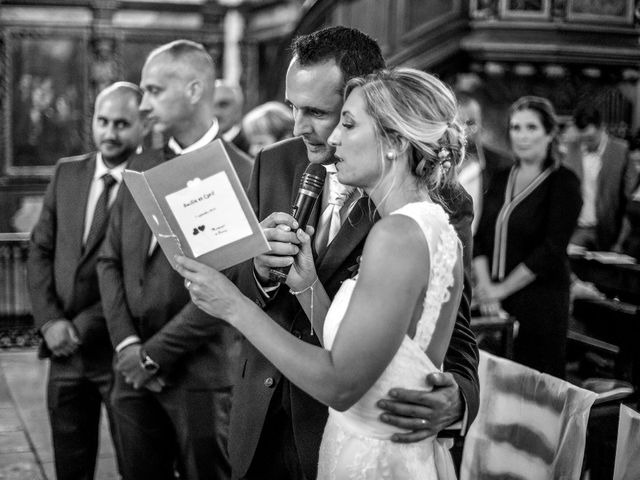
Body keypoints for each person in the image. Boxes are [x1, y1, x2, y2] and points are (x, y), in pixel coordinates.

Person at [167, 27, 477, 480]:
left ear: (372, 104)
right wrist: (262, 270)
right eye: (293, 107)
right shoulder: (275, 162)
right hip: (260, 426)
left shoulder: (427, 210)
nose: (300, 127)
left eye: (322, 113)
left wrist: (459, 400)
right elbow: (242, 276)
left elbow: (452, 327)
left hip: (353, 432)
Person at [97, 40, 252, 480]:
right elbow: (110, 261)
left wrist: (154, 356)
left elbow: (230, 282)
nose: (144, 104)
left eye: (154, 90)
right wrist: (128, 346)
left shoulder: (242, 173)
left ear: (194, 89)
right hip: (129, 373)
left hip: (200, 374)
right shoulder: (140, 164)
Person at [27, 81, 145, 480]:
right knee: (69, 462)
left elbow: (139, 274)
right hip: (64, 351)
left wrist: (81, 325)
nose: (109, 133)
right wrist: (49, 321)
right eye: (102, 121)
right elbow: (40, 250)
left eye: (122, 124)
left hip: (120, 349)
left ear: (142, 125)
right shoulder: (68, 172)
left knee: (135, 462)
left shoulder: (151, 181)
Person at [473, 96, 582, 378]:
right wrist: (487, 291)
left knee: (534, 386)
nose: (521, 136)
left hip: (540, 301)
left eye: (531, 127)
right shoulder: (500, 176)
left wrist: (500, 290)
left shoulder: (563, 182)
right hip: (495, 301)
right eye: (515, 127)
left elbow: (551, 250)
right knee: (495, 384)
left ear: (549, 133)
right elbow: (481, 236)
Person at [564, 106, 637, 251]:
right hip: (578, 230)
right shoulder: (571, 150)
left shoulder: (620, 152)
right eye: (582, 138)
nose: (587, 143)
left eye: (591, 138)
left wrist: (621, 240)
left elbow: (629, 201)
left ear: (602, 128)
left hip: (609, 233)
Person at [456, 92, 511, 234]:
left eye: (471, 122)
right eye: (457, 123)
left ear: (481, 123)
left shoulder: (503, 166)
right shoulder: (429, 165)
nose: (465, 130)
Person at [213, 79, 251, 154]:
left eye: (223, 105)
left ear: (239, 108)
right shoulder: (197, 147)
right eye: (211, 106)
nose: (216, 112)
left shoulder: (252, 146)